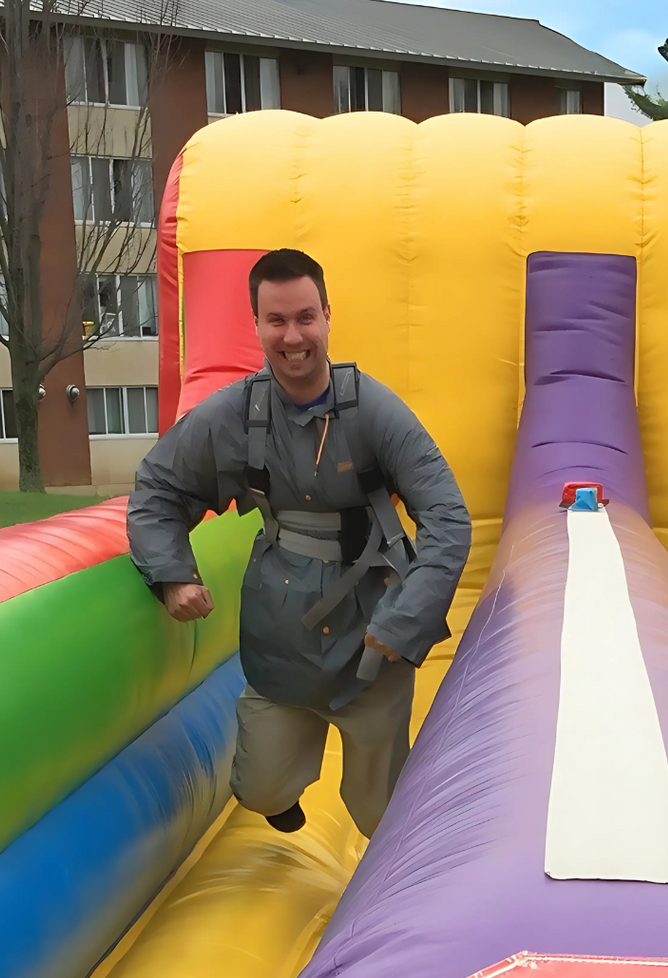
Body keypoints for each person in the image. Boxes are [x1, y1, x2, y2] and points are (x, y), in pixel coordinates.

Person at [127, 247, 471, 839]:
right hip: (281, 631)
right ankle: (280, 790)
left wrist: (403, 621)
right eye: (277, 320)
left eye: (305, 317)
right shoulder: (233, 416)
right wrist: (171, 574)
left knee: (384, 816)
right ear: (256, 324)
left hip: (372, 635)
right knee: (258, 786)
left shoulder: (375, 411)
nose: (293, 337)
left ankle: (388, 890)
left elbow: (447, 516)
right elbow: (159, 487)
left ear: (328, 317)